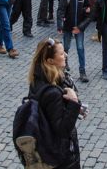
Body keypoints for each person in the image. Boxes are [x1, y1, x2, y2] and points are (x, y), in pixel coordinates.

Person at [26, 38, 83, 169]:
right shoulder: (53, 92)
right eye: (62, 54)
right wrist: (74, 102)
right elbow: (62, 130)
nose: (66, 55)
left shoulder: (37, 80)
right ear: (50, 61)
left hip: (45, 147)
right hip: (60, 157)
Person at [57, 0, 92, 83]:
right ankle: (63, 67)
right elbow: (61, 10)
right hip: (68, 27)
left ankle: (82, 72)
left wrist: (87, 9)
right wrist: (60, 25)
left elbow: (88, 9)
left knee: (80, 48)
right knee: (65, 47)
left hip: (79, 27)